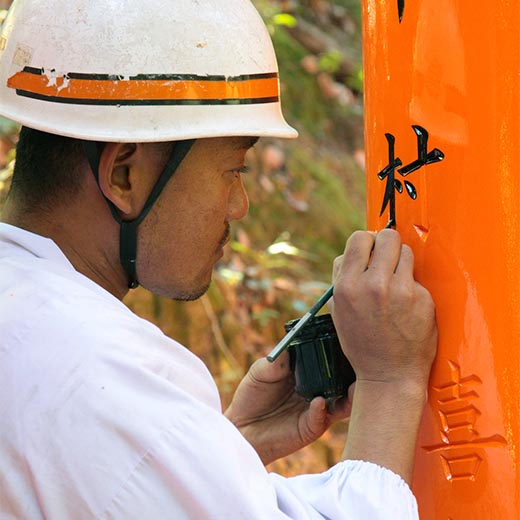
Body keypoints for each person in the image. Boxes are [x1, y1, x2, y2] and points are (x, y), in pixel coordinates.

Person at [0, 1, 437, 519]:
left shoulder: (27, 321)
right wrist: (392, 385)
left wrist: (222, 444)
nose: (240, 205)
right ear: (124, 174)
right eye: (234, 168)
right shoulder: (95, 369)